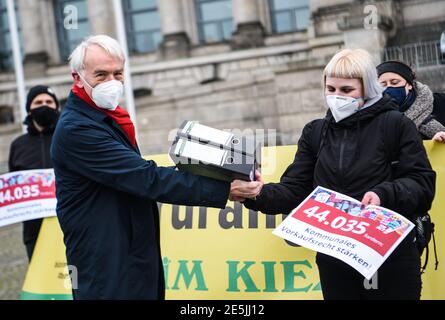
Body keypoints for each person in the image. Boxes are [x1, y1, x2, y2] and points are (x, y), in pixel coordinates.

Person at [50, 35, 261, 300]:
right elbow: (145, 178)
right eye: (101, 75)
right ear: (78, 77)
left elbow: (139, 173)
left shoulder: (107, 118)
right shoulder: (77, 129)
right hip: (105, 261)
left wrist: (225, 170)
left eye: (118, 73)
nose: (112, 82)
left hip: (129, 251)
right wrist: (223, 189)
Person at [242, 49, 436, 300]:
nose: (336, 97)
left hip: (389, 257)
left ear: (366, 89)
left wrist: (382, 194)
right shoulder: (315, 131)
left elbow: (421, 185)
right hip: (336, 261)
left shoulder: (396, 124)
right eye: (330, 89)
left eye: (346, 90)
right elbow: (295, 190)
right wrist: (256, 193)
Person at [8, 85, 60, 261]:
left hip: (71, 225)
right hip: (34, 230)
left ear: (57, 107)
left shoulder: (69, 137)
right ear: (29, 108)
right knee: (43, 286)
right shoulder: (18, 146)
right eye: (38, 102)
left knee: (73, 281)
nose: (44, 105)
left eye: (49, 102)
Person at [377, 60, 445, 142]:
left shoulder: (440, 102)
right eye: (383, 85)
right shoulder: (374, 117)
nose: (389, 88)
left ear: (409, 85)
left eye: (394, 82)